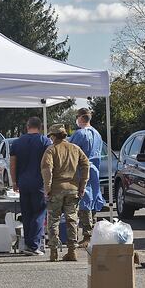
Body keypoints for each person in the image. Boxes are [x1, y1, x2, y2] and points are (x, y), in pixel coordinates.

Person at [41, 124, 89, 262]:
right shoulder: (75, 149)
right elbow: (86, 165)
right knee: (72, 220)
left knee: (53, 220)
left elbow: (46, 169)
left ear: (54, 136)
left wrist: (47, 187)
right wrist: (83, 184)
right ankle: (72, 251)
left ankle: (54, 252)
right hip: (73, 189)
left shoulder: (51, 150)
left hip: (56, 189)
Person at [10, 117, 52, 256]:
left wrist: (14, 181)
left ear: (27, 126)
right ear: (40, 127)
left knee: (26, 214)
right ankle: (34, 245)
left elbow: (13, 164)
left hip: (23, 182)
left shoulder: (17, 142)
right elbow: (48, 164)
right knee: (39, 214)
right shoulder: (45, 141)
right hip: (39, 182)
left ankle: (28, 243)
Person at [68, 108, 106, 248]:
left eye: (77, 117)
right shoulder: (97, 134)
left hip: (82, 170)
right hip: (94, 169)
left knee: (84, 201)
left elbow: (71, 152)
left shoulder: (80, 134)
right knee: (92, 200)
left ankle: (87, 235)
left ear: (81, 118)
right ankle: (92, 233)